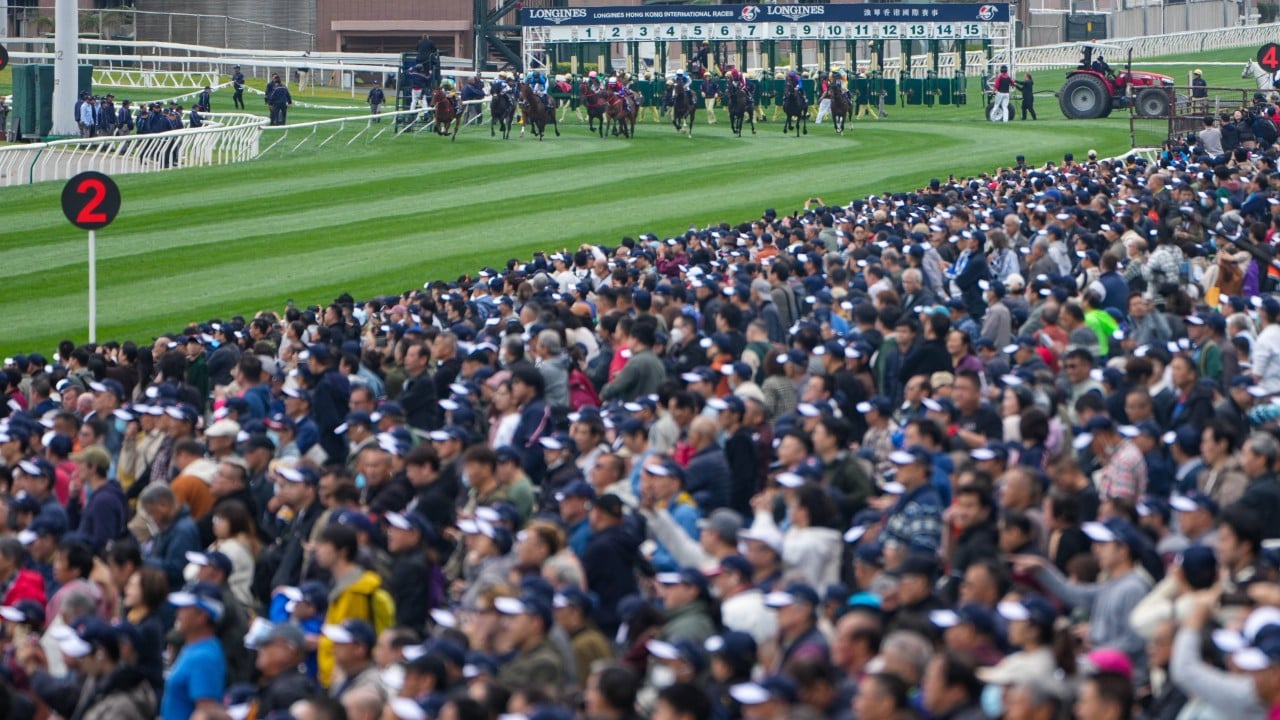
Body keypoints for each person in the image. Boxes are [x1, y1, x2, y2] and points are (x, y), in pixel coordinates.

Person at [161, 582, 227, 720]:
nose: (177, 613)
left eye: (185, 608)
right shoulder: (194, 647)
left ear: (202, 616)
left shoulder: (204, 657)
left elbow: (206, 712)